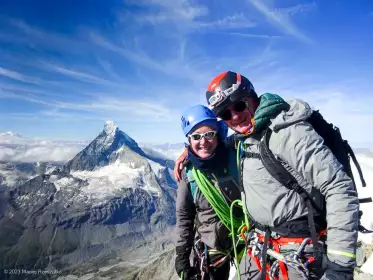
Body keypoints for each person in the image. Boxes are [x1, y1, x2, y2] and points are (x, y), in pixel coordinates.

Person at [174, 71, 360, 280]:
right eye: (226, 113)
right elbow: (218, 146)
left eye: (239, 105)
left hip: (297, 251)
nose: (234, 116)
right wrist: (192, 151)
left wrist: (340, 267)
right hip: (260, 247)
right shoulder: (247, 137)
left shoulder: (287, 131)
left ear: (252, 98)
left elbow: (339, 187)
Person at [174, 104, 245, 280]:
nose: (203, 142)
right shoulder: (188, 174)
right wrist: (182, 256)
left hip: (245, 237)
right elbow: (184, 216)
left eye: (209, 134)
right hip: (212, 247)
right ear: (189, 140)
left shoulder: (236, 153)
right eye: (196, 137)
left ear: (218, 134)